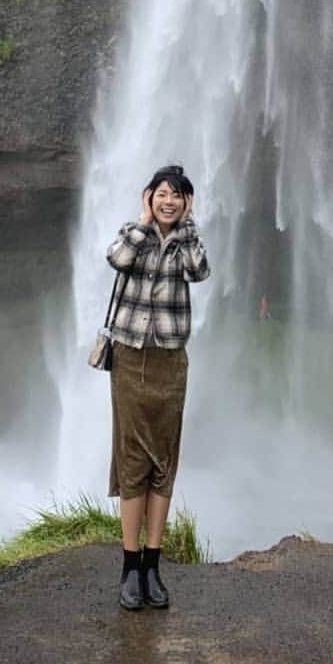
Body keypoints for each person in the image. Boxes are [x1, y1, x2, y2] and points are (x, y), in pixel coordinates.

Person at [104, 163, 210, 612]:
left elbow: (199, 271)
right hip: (130, 359)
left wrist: (187, 227)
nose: (169, 201)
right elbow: (117, 259)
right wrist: (145, 222)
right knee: (132, 460)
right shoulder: (134, 234)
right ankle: (129, 568)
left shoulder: (188, 242)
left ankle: (153, 565)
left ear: (186, 202)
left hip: (170, 362)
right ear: (149, 197)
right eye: (162, 193)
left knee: (164, 461)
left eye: (178, 195)